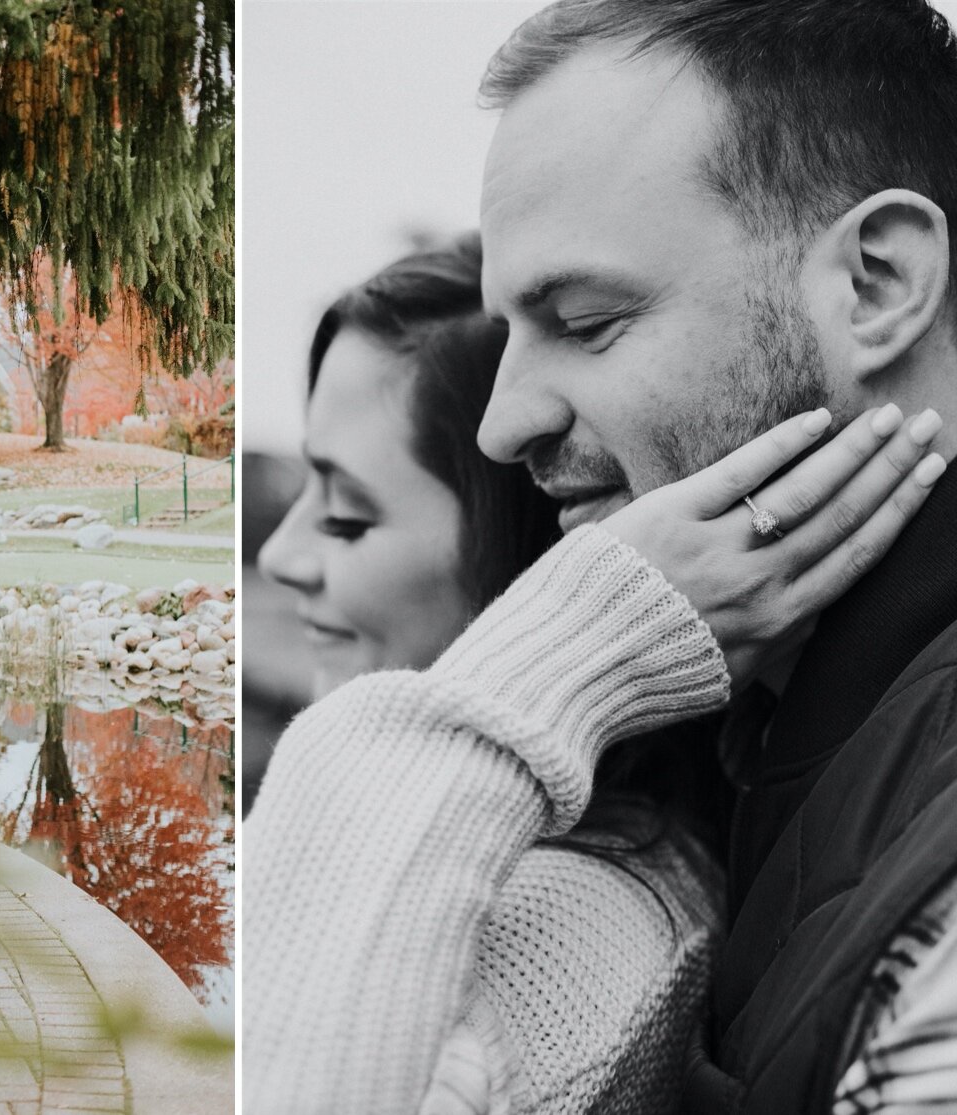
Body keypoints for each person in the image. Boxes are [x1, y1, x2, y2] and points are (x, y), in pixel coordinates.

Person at [472, 1, 957, 1110]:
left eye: (588, 319)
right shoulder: (765, 736)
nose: (501, 423)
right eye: (509, 331)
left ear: (878, 286)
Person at [255, 237, 731, 1113]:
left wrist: (533, 665)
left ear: (533, 556)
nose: (280, 556)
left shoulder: (585, 930)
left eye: (348, 515)